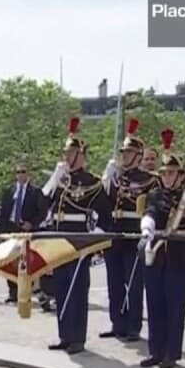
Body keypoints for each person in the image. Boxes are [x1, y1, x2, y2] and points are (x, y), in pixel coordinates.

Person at [139, 129, 185, 368]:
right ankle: (155, 351)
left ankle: (172, 353)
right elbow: (150, 212)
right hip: (155, 254)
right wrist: (147, 225)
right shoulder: (155, 194)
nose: (167, 177)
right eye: (164, 173)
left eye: (172, 173)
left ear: (181, 176)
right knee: (155, 304)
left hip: (179, 257)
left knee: (174, 307)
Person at [41, 117, 112, 354]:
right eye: (65, 152)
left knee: (77, 287)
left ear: (81, 155)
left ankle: (77, 338)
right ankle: (64, 335)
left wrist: (98, 234)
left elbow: (105, 213)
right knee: (60, 287)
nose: (66, 157)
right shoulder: (61, 180)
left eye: (70, 153)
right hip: (58, 236)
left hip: (79, 237)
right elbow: (40, 204)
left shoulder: (92, 182)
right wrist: (53, 178)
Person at [100, 119, 157, 342]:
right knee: (114, 282)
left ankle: (133, 325)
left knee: (133, 282)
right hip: (115, 233)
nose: (124, 156)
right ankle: (117, 322)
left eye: (129, 152)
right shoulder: (116, 177)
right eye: (123, 152)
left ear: (139, 155)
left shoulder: (150, 180)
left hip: (134, 233)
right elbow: (105, 204)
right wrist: (107, 179)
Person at [0, 163, 43, 304]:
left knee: (25, 263)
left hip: (26, 230)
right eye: (18, 172)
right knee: (10, 261)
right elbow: (4, 211)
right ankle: (12, 291)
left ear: (28, 174)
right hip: (11, 228)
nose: (21, 174)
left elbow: (41, 212)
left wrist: (32, 223)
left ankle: (25, 292)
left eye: (23, 171)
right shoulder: (9, 191)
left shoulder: (35, 192)